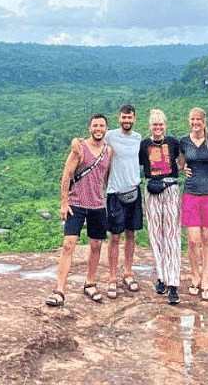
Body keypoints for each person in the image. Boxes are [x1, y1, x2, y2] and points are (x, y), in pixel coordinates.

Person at [45, 113, 113, 308]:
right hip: (76, 204)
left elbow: (105, 177)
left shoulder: (109, 151)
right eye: (95, 126)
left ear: (106, 129)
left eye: (101, 126)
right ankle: (59, 290)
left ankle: (90, 283)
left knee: (96, 245)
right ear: (89, 128)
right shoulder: (79, 149)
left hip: (97, 205)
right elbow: (66, 175)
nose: (98, 129)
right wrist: (64, 203)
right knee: (68, 244)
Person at [139, 108, 183, 305]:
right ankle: (161, 276)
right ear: (150, 126)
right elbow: (139, 165)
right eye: (155, 125)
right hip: (152, 190)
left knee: (172, 233)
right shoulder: (144, 145)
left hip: (171, 187)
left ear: (165, 126)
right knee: (155, 234)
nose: (158, 128)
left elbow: (182, 161)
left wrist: (186, 169)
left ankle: (173, 283)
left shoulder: (173, 142)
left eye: (161, 124)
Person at [179, 107, 208, 302]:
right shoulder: (184, 141)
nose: (195, 123)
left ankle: (205, 280)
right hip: (190, 193)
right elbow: (180, 163)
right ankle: (194, 276)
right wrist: (183, 169)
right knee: (193, 239)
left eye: (199, 120)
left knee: (207, 239)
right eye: (192, 119)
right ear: (189, 121)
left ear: (204, 122)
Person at [104, 104, 143, 299]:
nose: (127, 121)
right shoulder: (109, 136)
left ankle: (128, 272)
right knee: (115, 237)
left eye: (130, 118)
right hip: (115, 192)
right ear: (118, 118)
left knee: (131, 235)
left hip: (134, 190)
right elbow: (92, 143)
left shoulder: (138, 138)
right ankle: (112, 277)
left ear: (134, 119)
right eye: (124, 118)